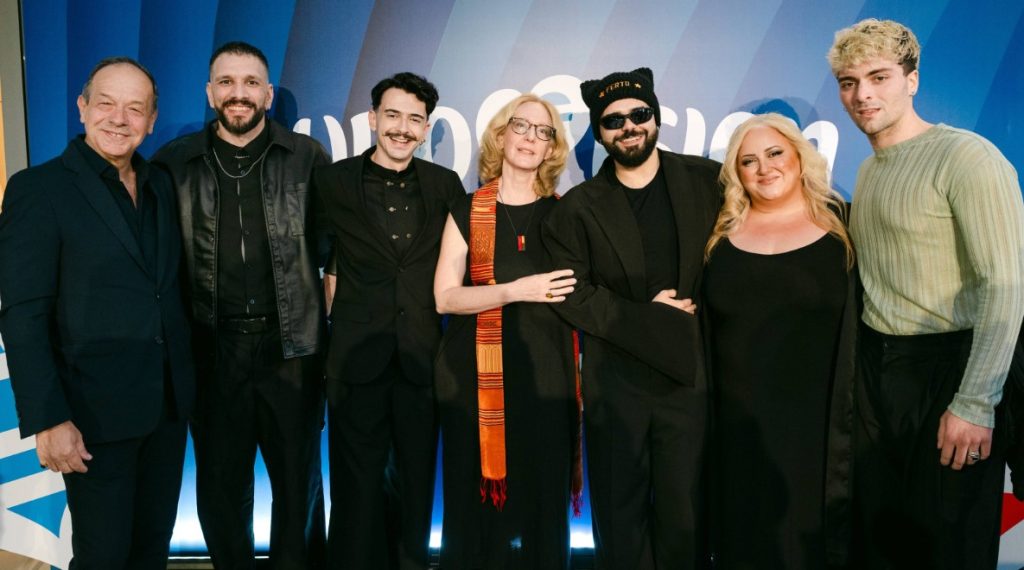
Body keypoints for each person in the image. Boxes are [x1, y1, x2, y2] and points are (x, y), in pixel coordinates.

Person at [828, 18, 1024, 569]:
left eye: (879, 77)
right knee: (885, 546)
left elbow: (1006, 286)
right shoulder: (869, 170)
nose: (862, 95)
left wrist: (975, 402)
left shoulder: (967, 157)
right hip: (879, 375)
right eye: (848, 82)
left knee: (949, 548)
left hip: (951, 372)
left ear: (912, 80)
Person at [0, 57, 195, 569]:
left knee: (150, 553)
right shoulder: (38, 189)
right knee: (102, 558)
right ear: (82, 107)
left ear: (151, 120)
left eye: (135, 108)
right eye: (106, 103)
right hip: (92, 416)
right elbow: (22, 314)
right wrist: (48, 418)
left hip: (165, 411)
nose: (119, 119)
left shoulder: (159, 184)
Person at [152, 41, 330, 569]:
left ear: (268, 94)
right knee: (220, 490)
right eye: (226, 82)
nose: (239, 93)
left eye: (251, 83)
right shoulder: (173, 164)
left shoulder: (307, 158)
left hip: (292, 349)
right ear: (210, 93)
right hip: (212, 351)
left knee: (298, 487)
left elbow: (333, 253)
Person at [541, 67, 722, 569]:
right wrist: (648, 318)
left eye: (639, 114)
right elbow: (569, 293)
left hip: (689, 380)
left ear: (656, 118)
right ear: (600, 134)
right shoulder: (577, 209)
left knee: (686, 518)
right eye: (613, 120)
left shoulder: (708, 181)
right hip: (616, 385)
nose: (629, 127)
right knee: (620, 524)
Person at [315, 72, 465, 570]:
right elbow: (320, 265)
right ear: (373, 118)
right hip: (355, 362)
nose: (403, 128)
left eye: (415, 119)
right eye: (393, 115)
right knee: (354, 492)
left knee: (416, 489)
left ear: (427, 129)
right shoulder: (332, 182)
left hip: (422, 362)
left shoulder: (446, 186)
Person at [702, 113, 856, 569]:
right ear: (737, 173)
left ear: (799, 157)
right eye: (748, 161)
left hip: (820, 430)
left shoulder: (844, 226)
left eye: (774, 154)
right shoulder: (717, 236)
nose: (764, 168)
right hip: (737, 431)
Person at [433, 94, 579, 570]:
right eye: (521, 125)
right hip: (474, 383)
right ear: (501, 134)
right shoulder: (466, 209)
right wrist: (516, 290)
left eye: (543, 131)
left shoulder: (566, 215)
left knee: (543, 513)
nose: (530, 137)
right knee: (475, 519)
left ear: (551, 148)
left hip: (547, 383)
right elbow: (445, 298)